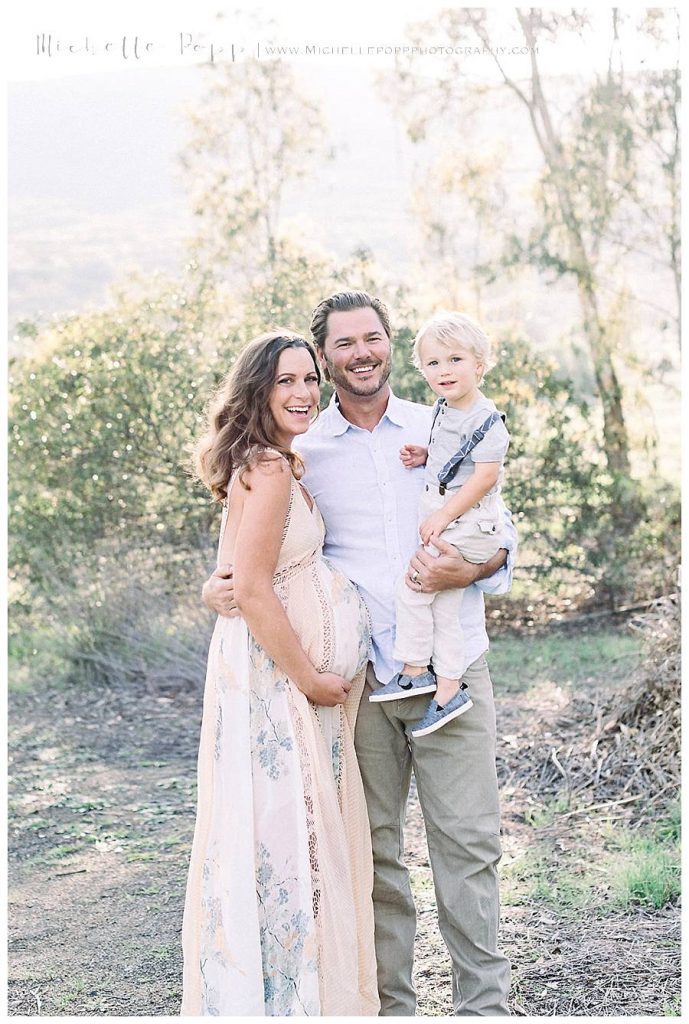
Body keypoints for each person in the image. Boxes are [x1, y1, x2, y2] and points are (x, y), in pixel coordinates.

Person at [203, 293, 515, 1016]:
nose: (360, 353)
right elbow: (256, 554)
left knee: (467, 850)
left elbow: (498, 530)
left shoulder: (442, 422)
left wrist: (468, 569)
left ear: (389, 344)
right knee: (370, 861)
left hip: (452, 666)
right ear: (324, 357)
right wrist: (218, 586)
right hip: (357, 683)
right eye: (343, 344)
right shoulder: (299, 451)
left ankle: (485, 1009)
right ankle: (389, 1010)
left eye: (372, 337)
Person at [181, 331, 379, 1017]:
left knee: (285, 834)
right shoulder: (265, 468)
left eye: (308, 379)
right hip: (277, 685)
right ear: (257, 391)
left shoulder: (273, 464)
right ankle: (292, 996)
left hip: (273, 678)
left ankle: (296, 989)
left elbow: (232, 573)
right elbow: (255, 590)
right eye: (284, 382)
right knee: (285, 836)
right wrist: (311, 680)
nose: (301, 393)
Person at [371, 311, 510, 740]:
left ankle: (414, 671)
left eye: (455, 360)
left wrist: (444, 516)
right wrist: (425, 456)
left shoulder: (488, 419)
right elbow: (456, 457)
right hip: (453, 519)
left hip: (466, 524)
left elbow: (485, 477)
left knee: (413, 590)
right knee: (445, 609)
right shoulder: (446, 411)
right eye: (433, 363)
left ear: (479, 365)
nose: (444, 371)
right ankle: (447, 691)